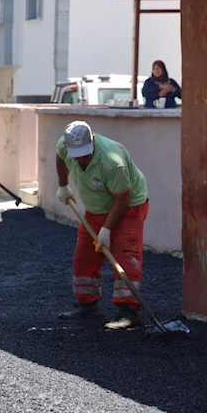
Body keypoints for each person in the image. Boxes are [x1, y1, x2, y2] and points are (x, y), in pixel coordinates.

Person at [55, 120, 150, 329]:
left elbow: (122, 198)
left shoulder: (111, 160)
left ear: (93, 142)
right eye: (76, 154)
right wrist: (63, 186)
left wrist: (106, 230)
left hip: (128, 207)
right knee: (84, 256)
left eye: (85, 153)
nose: (81, 158)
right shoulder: (64, 146)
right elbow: (60, 157)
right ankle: (87, 305)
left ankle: (129, 311)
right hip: (96, 208)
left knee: (125, 255)